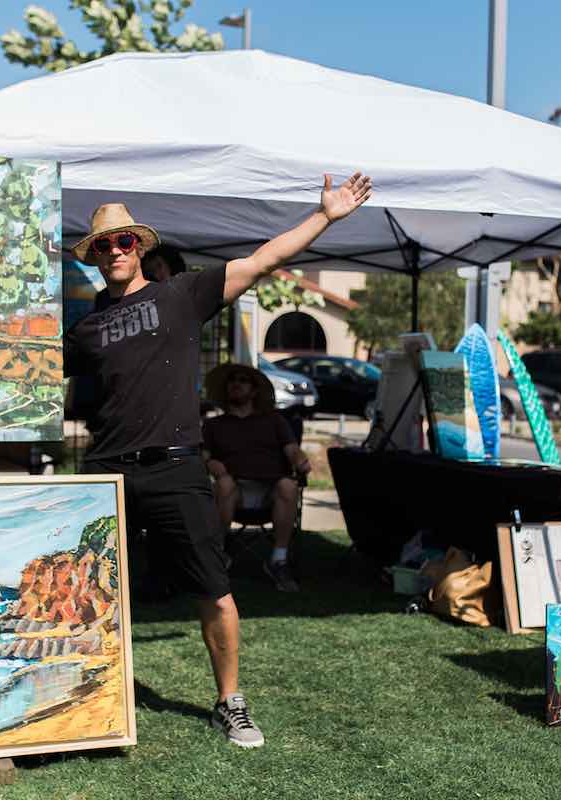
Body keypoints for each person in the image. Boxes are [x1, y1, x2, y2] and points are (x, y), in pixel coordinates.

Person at [63, 172, 372, 748]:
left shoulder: (180, 295)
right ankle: (94, 699)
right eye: (102, 245)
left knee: (214, 589)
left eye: (122, 242)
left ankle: (230, 702)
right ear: (94, 257)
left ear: (140, 246)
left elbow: (262, 260)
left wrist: (326, 216)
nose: (113, 252)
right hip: (106, 472)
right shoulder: (83, 330)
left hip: (176, 465)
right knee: (93, 593)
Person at [203, 364, 311, 592]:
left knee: (288, 485)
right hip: (234, 492)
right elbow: (203, 457)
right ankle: (218, 556)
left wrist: (300, 460)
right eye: (232, 380)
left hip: (270, 491)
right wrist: (211, 464)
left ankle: (278, 560)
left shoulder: (274, 420)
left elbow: (292, 449)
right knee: (223, 483)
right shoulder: (213, 425)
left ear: (254, 391)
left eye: (243, 380)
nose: (236, 384)